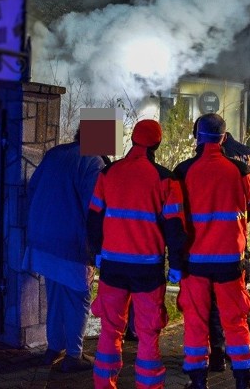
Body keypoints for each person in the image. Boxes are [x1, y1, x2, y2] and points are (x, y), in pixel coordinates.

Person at [87, 119, 186, 389]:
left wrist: (96, 253)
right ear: (157, 143)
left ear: (132, 139)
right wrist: (175, 264)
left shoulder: (108, 174)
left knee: (110, 329)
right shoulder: (165, 179)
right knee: (147, 333)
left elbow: (94, 218)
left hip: (112, 266)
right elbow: (175, 226)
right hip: (147, 270)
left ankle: (103, 384)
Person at [175, 113, 250, 389]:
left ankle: (198, 380)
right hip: (230, 261)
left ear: (198, 136)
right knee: (235, 319)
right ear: (224, 137)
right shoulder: (241, 171)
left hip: (195, 261)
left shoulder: (183, 170)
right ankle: (243, 378)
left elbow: (175, 216)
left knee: (196, 320)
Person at [22, 129, 105, 373]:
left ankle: (53, 348)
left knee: (55, 295)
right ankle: (73, 355)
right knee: (79, 298)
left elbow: (33, 188)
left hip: (43, 239)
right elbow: (95, 208)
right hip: (71, 244)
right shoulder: (93, 162)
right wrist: (96, 249)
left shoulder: (55, 154)